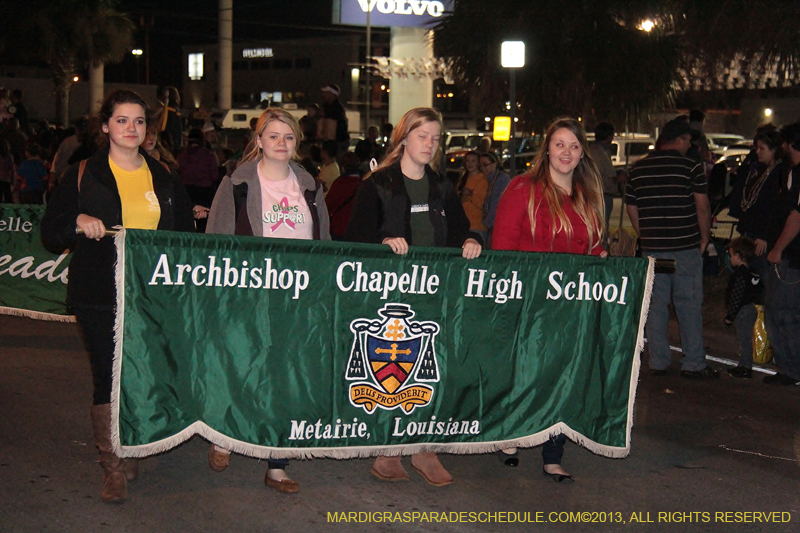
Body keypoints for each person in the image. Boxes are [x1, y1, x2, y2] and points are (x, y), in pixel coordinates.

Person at [41, 89, 196, 503]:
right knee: (109, 377)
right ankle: (112, 465)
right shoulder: (83, 172)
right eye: (123, 120)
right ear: (106, 125)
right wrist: (78, 219)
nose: (132, 128)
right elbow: (50, 232)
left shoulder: (163, 175)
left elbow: (184, 238)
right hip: (99, 292)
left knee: (143, 373)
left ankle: (132, 444)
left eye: (140, 121)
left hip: (152, 294)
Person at [344, 107, 482, 487]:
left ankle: (425, 449)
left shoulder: (442, 186)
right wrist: (382, 241)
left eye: (436, 138)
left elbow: (461, 230)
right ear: (404, 138)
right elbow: (354, 238)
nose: (430, 144)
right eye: (423, 136)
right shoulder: (377, 184)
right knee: (394, 373)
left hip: (434, 293)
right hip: (387, 297)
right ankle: (387, 452)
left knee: (432, 370)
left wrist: (471, 241)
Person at [206, 107, 330, 493]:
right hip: (249, 291)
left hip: (298, 297)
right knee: (243, 365)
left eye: (289, 137)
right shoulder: (237, 183)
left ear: (297, 144)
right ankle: (224, 434)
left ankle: (277, 462)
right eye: (273, 136)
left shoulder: (310, 186)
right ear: (258, 141)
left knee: (287, 376)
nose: (281, 143)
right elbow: (217, 238)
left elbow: (323, 243)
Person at [492, 117, 606, 481]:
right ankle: (511, 433)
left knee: (563, 376)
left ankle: (553, 451)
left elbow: (590, 245)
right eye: (559, 144)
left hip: (571, 304)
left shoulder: (587, 195)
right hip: (528, 302)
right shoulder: (522, 188)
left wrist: (601, 255)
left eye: (573, 146)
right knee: (526, 374)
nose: (566, 152)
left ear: (582, 152)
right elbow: (504, 246)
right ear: (547, 148)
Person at [625, 118, 716, 378]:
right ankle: (693, 363)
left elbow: (632, 206)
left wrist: (646, 234)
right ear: (680, 140)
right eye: (688, 140)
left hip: (654, 248)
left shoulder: (638, 169)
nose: (689, 145)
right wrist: (703, 238)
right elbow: (701, 205)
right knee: (688, 303)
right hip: (685, 245)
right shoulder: (690, 166)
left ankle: (658, 361)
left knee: (656, 305)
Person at [762, 122, 800, 386]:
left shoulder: (797, 173)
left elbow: (797, 215)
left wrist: (778, 248)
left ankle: (791, 368)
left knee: (783, 313)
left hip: (792, 257)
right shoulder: (790, 172)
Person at [736, 128, 789, 276]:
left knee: (761, 273)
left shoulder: (780, 171)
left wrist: (764, 234)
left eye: (762, 148)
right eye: (756, 148)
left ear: (774, 150)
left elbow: (775, 206)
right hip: (751, 229)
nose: (757, 152)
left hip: (761, 234)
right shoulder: (760, 170)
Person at [724, 237, 764, 379]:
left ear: (739, 256)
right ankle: (744, 365)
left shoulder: (740, 275)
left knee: (744, 339)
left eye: (731, 255)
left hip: (743, 311)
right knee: (745, 338)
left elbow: (737, 296)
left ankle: (745, 367)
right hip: (750, 308)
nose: (730, 259)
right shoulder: (752, 274)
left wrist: (730, 315)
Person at [177, 128, 219, 232]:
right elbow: (214, 176)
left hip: (187, 192)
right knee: (205, 224)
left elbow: (178, 174)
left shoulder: (181, 156)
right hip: (205, 193)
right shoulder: (209, 155)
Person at [589, 122, 623, 240]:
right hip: (600, 195)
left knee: (603, 226)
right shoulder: (596, 152)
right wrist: (616, 179)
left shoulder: (603, 151)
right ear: (608, 136)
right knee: (600, 228)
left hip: (605, 194)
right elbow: (600, 175)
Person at [325, 151, 361, 240]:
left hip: (338, 228)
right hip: (357, 230)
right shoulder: (363, 184)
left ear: (343, 168)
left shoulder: (339, 183)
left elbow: (328, 205)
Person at [479, 151, 510, 247]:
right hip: (492, 222)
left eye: (486, 165)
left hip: (498, 223)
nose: (483, 168)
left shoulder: (502, 179)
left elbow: (497, 202)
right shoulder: (490, 179)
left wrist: (488, 220)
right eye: (481, 165)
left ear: (494, 163)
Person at [458, 151, 488, 242]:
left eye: (473, 161)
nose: (470, 164)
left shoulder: (483, 180)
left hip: (477, 224)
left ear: (478, 163)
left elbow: (484, 204)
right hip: (463, 224)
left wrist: (471, 195)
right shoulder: (463, 179)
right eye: (468, 161)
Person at [320, 84, 350, 155]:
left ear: (331, 94)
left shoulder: (336, 108)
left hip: (339, 142)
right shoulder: (326, 106)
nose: (323, 94)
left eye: (326, 92)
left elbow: (333, 125)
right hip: (332, 142)